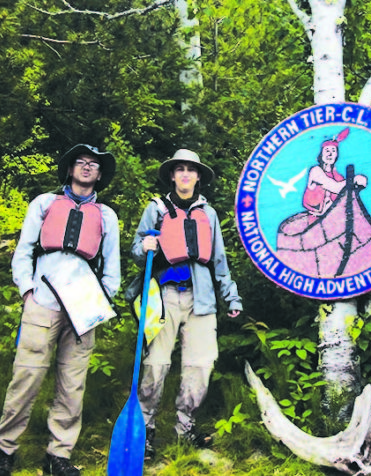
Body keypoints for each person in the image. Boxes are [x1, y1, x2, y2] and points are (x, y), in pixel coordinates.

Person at [0, 145, 121, 476]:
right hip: (43, 298)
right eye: (81, 162)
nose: (87, 167)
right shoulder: (45, 203)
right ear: (70, 168)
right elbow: (24, 250)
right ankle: (4, 449)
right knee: (27, 375)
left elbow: (112, 270)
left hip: (84, 306)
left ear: (100, 174)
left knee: (72, 383)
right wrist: (27, 291)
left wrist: (99, 303)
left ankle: (58, 454)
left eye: (94, 165)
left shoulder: (106, 215)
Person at [130, 149, 242, 460]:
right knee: (156, 364)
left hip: (202, 298)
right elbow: (137, 250)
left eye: (190, 170)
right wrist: (144, 246)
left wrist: (230, 295)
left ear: (198, 177)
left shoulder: (209, 214)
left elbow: (219, 259)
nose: (185, 175)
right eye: (179, 169)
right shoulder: (156, 210)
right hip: (164, 297)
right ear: (172, 175)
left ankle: (185, 427)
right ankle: (145, 430)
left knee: (200, 364)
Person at [303, 128, 367, 220]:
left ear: (337, 155)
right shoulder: (315, 171)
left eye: (333, 151)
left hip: (334, 221)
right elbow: (335, 187)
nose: (330, 154)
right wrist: (353, 180)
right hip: (314, 222)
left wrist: (359, 185)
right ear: (321, 154)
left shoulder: (339, 177)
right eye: (327, 151)